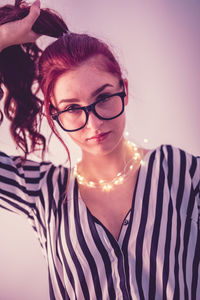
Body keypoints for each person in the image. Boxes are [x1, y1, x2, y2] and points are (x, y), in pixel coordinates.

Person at [0, 1, 199, 299]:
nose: (93, 123)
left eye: (103, 97)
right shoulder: (44, 191)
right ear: (54, 113)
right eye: (72, 109)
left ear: (125, 91)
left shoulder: (181, 171)